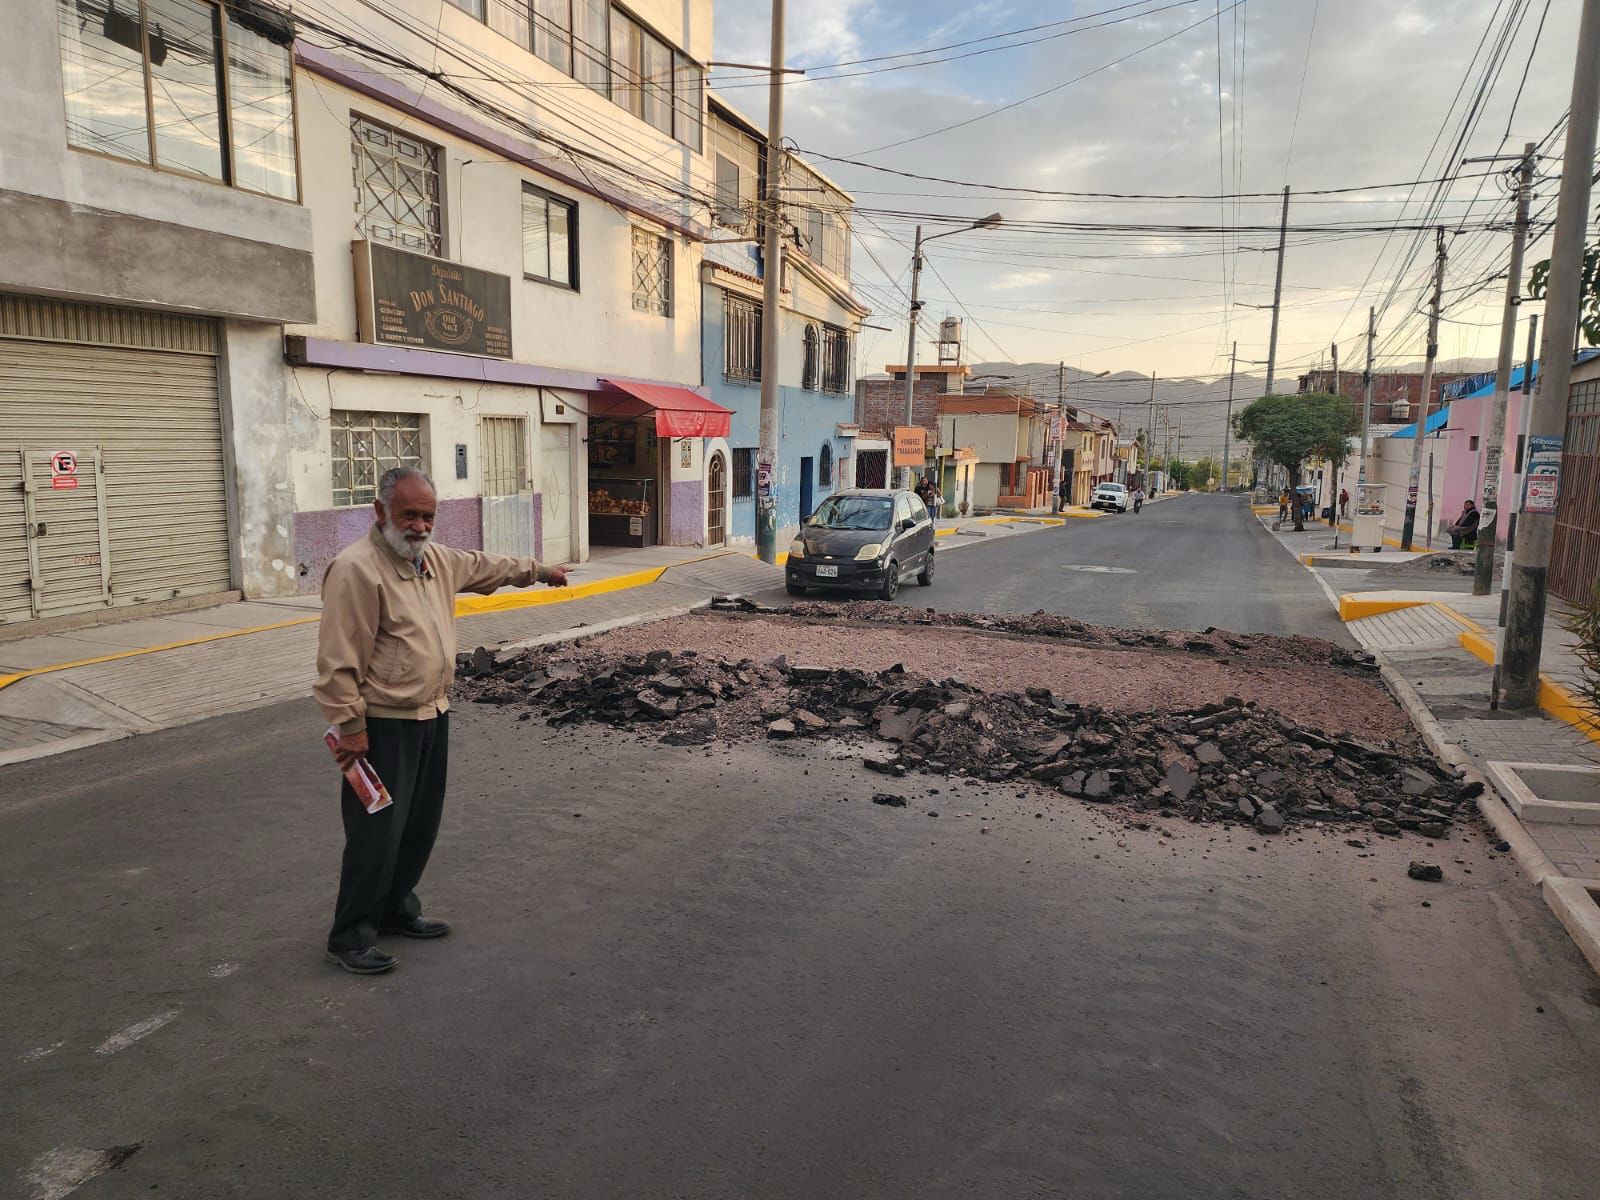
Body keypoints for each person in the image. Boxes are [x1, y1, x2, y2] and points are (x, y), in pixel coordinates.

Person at [315, 466, 569, 974]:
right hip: (383, 723)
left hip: (433, 712)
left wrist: (539, 570)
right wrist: (350, 725)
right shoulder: (357, 569)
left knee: (418, 825)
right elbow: (338, 657)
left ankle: (394, 909)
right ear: (380, 512)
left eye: (428, 516)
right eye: (409, 514)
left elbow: (485, 566)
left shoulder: (434, 561)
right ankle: (350, 935)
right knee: (376, 832)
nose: (419, 525)